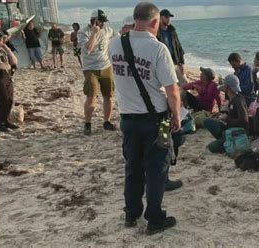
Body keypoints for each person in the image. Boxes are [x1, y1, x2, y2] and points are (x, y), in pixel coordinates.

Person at [108, 2, 181, 234]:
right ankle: (155, 218)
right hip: (154, 120)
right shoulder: (158, 49)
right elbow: (172, 91)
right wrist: (177, 117)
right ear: (155, 22)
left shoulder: (115, 43)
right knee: (157, 170)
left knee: (133, 167)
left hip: (128, 118)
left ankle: (131, 213)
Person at [78, 9, 117, 135]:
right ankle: (88, 123)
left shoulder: (107, 29)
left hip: (106, 66)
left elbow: (118, 36)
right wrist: (94, 34)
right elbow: (88, 49)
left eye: (104, 22)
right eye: (101, 22)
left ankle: (107, 121)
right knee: (91, 96)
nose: (103, 24)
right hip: (90, 68)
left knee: (108, 95)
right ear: (94, 21)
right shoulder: (83, 32)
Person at [204, 74, 249, 153]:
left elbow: (244, 121)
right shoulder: (231, 98)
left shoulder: (239, 101)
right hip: (229, 128)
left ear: (227, 87)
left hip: (237, 131)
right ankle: (224, 139)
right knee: (207, 121)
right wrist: (221, 113)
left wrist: (227, 119)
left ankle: (227, 144)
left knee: (211, 147)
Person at [0, 30, 19, 132]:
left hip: (7, 75)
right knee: (3, 101)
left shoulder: (2, 50)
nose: (1, 41)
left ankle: (6, 121)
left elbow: (14, 61)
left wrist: (7, 49)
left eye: (2, 39)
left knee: (10, 100)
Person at [156, 9, 188, 85]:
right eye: (166, 17)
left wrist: (182, 63)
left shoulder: (172, 31)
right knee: (168, 84)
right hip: (163, 63)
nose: (169, 19)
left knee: (186, 83)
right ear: (160, 18)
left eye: (170, 17)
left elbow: (179, 47)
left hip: (175, 62)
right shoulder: (156, 31)